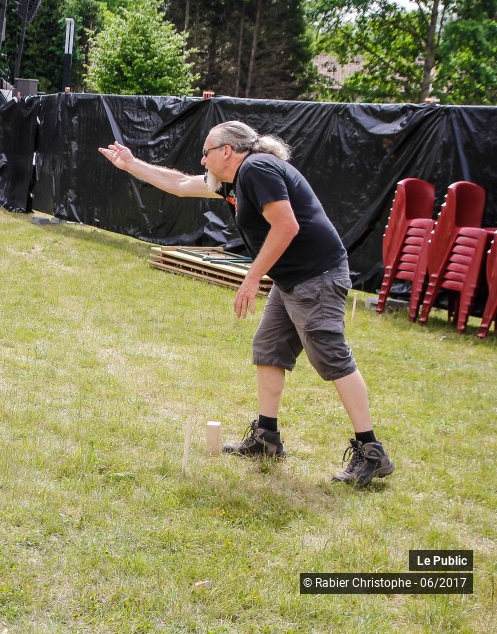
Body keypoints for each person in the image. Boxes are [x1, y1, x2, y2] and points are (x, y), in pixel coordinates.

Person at [98, 121, 395, 487]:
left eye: (205, 152)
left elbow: (286, 226)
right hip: (290, 279)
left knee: (332, 358)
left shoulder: (257, 168)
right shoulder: (233, 180)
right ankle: (266, 439)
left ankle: (371, 451)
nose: (201, 160)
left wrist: (252, 276)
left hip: (317, 276)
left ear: (226, 151)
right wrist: (131, 164)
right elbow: (178, 184)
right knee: (269, 349)